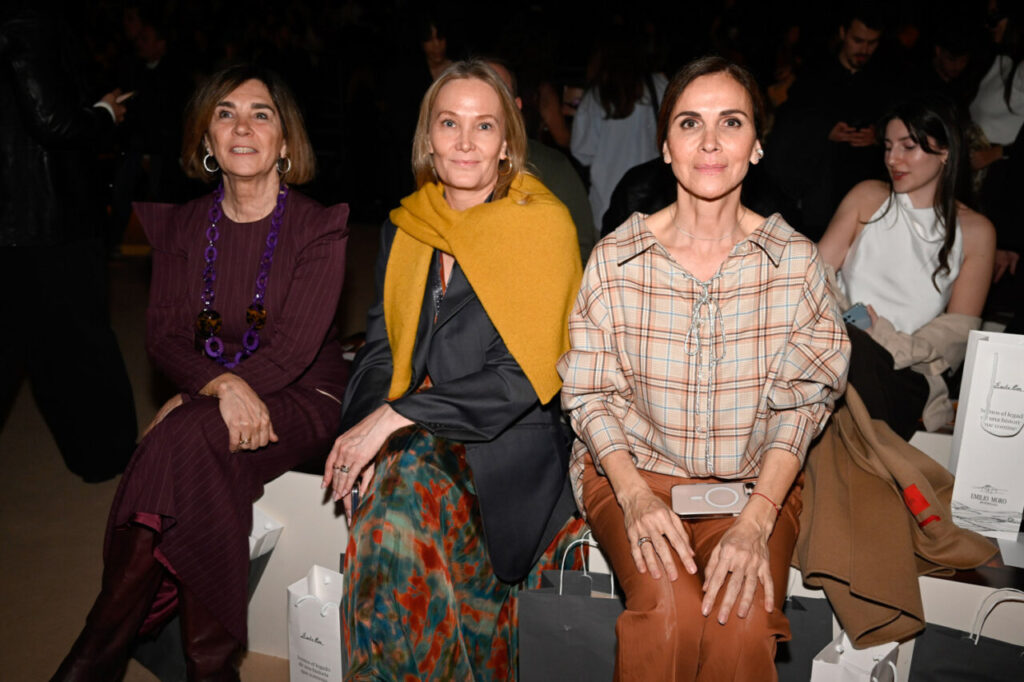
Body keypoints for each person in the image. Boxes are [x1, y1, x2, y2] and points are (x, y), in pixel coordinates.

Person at [52, 64, 350, 681]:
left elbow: (293, 350)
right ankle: (209, 668)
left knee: (177, 438)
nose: (242, 127)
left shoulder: (319, 226)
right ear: (207, 142)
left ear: (286, 143)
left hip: (303, 394)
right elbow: (161, 333)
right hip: (219, 395)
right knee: (191, 454)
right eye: (225, 114)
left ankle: (94, 657)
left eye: (260, 114)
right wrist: (213, 387)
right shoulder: (187, 226)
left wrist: (198, 398)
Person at [558, 56, 850, 681]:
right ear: (666, 146)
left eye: (732, 122)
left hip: (751, 486)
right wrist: (634, 497)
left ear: (757, 143)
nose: (711, 142)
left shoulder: (794, 263)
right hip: (630, 472)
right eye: (690, 123)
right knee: (668, 615)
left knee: (740, 625)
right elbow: (587, 396)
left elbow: (804, 403)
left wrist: (757, 518)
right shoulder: (617, 259)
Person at [326, 59, 582, 680]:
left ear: (506, 144)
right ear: (427, 138)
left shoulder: (540, 226)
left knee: (391, 520)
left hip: (508, 449)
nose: (465, 142)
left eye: (484, 126)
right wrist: (364, 425)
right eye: (449, 123)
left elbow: (522, 375)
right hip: (421, 436)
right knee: (393, 517)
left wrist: (394, 417)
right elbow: (382, 348)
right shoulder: (409, 225)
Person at [0, 0, 138, 483]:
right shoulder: (27, 14)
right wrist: (104, 114)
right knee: (78, 340)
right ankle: (109, 456)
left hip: (22, 218)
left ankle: (101, 455)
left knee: (38, 342)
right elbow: (51, 120)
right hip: (47, 215)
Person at [819, 94, 996, 439]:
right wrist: (856, 327)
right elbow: (813, 278)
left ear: (945, 152)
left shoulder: (975, 231)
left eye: (907, 146)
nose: (892, 159)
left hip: (908, 371)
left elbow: (956, 335)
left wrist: (880, 337)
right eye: (887, 146)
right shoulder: (868, 197)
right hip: (839, 344)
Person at [764, 3, 892, 239]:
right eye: (858, 40)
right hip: (816, 194)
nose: (864, 49)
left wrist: (879, 135)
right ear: (843, 33)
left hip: (864, 191)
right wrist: (824, 130)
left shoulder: (884, 78)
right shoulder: (815, 74)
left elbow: (897, 122)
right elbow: (787, 124)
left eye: (871, 43)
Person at [570, 26, 667, 234]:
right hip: (654, 206)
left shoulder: (595, 97)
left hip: (606, 207)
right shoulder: (660, 86)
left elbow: (582, 152)